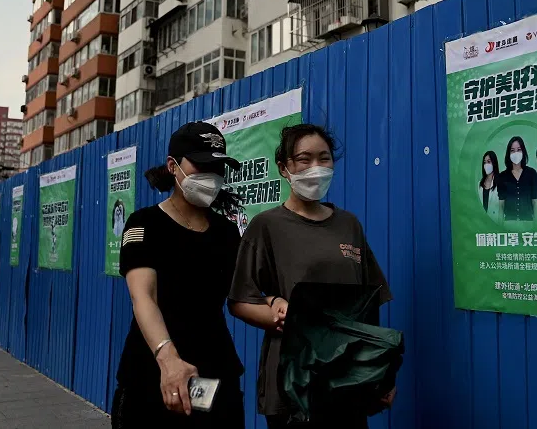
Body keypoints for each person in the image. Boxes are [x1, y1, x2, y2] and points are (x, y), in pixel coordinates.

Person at [229, 124, 395, 429]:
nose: (316, 168)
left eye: (324, 158)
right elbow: (240, 300)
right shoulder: (266, 227)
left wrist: (379, 369)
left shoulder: (349, 225)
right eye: (304, 159)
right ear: (284, 168)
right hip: (294, 380)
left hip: (348, 376)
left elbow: (368, 307)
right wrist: (278, 314)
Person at [111, 122, 246, 428]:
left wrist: (278, 306)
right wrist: (167, 358)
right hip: (152, 377)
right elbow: (143, 296)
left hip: (216, 379)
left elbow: (242, 297)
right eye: (202, 164)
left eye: (217, 167)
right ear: (173, 166)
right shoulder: (144, 224)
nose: (211, 175)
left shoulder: (226, 232)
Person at [497, 136, 537, 222]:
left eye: (519, 149)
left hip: (528, 223)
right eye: (512, 150)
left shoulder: (531, 173)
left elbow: (535, 203)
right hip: (509, 223)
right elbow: (501, 206)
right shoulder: (502, 176)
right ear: (508, 154)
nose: (515, 153)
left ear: (523, 152)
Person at [479, 151, 500, 221]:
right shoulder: (479, 184)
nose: (486, 165)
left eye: (489, 162)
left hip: (495, 222)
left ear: (494, 163)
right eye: (484, 162)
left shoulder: (500, 183)